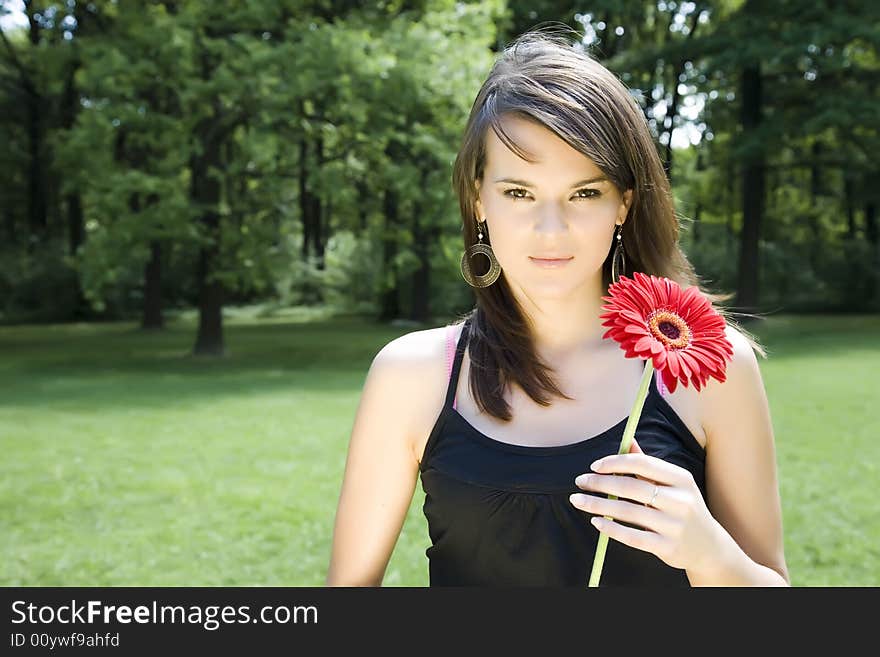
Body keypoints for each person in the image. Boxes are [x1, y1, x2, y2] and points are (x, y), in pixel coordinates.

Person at [326, 29, 789, 587]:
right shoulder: (411, 375)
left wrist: (712, 554)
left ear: (624, 203)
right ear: (478, 198)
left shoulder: (710, 368)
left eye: (584, 193)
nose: (551, 230)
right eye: (519, 193)